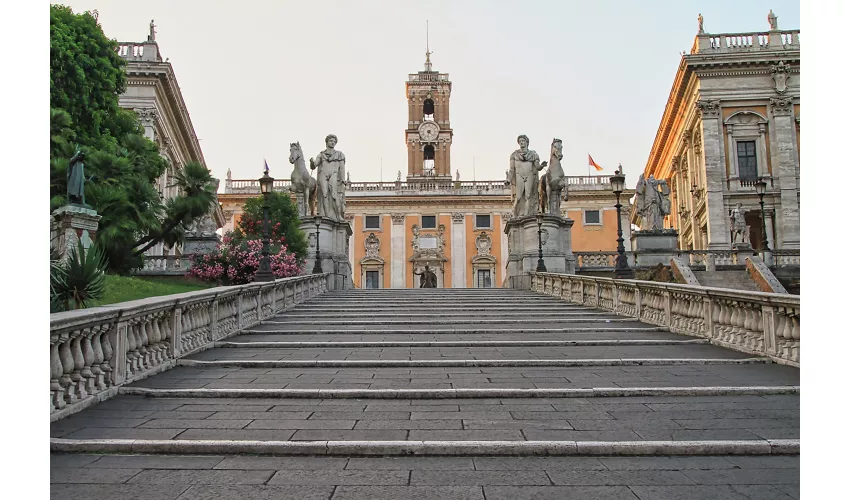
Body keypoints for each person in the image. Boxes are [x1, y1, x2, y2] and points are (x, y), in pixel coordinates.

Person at [508, 135, 547, 217]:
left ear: (527, 142)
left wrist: (542, 166)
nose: (521, 142)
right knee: (518, 197)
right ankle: (514, 215)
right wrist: (508, 179)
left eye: (523, 141)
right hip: (519, 176)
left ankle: (526, 215)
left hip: (529, 176)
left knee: (528, 196)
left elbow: (537, 167)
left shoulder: (533, 154)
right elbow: (511, 170)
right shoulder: (514, 155)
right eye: (520, 141)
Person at [310, 134, 346, 220]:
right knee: (324, 194)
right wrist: (311, 162)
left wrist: (343, 179)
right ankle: (325, 216)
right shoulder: (321, 154)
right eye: (331, 141)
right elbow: (314, 166)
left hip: (334, 174)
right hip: (323, 173)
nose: (333, 143)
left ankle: (338, 216)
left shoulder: (339, 154)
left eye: (334, 141)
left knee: (334, 195)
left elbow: (342, 168)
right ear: (327, 142)